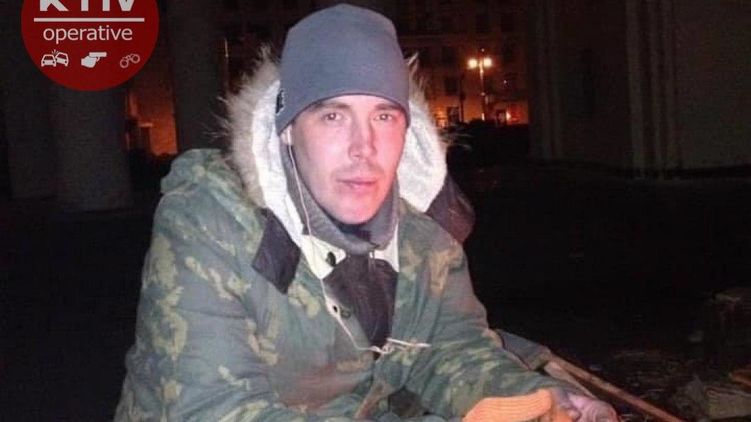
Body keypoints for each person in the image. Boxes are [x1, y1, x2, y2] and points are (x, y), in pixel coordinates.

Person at [115, 4, 617, 421]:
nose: (364, 147)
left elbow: (451, 347)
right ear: (287, 130)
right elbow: (213, 409)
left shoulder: (423, 232)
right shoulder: (210, 220)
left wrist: (534, 400)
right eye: (333, 115)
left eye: (384, 116)